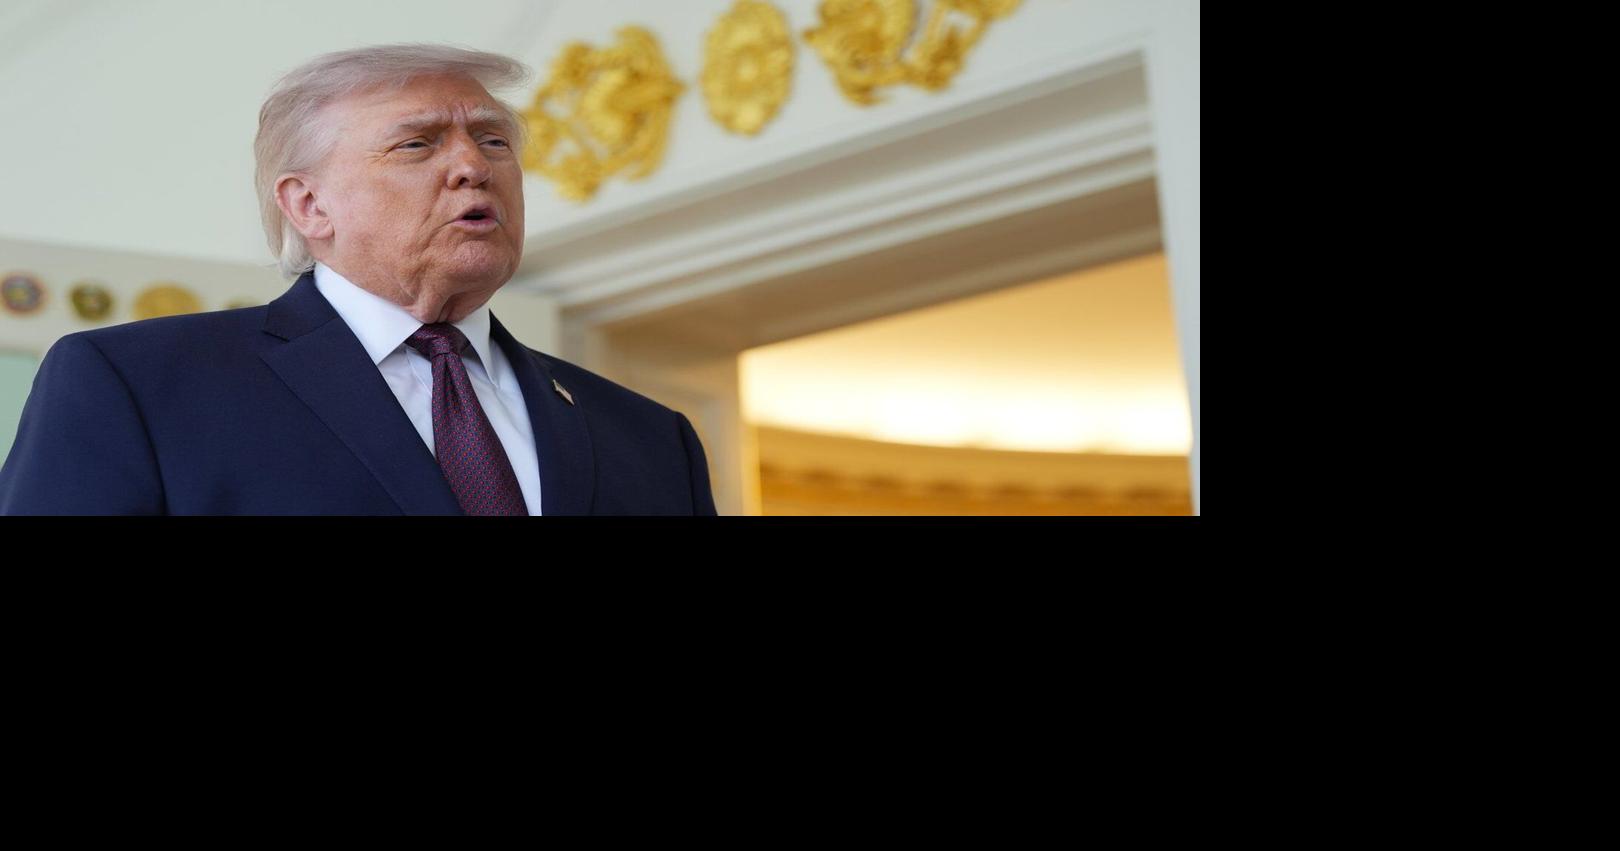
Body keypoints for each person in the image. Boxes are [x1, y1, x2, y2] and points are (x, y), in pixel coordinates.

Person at [0, 44, 718, 515]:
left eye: (494, 139)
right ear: (309, 205)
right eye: (417, 144)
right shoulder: (139, 384)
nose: (474, 166)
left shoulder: (650, 437)